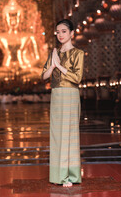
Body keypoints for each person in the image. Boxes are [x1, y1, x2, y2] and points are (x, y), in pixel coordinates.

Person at [41, 19, 84, 187]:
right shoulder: (54, 53)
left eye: (64, 31)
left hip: (70, 94)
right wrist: (53, 65)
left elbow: (77, 78)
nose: (60, 35)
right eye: (58, 32)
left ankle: (70, 175)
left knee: (70, 134)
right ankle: (58, 174)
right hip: (57, 94)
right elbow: (44, 76)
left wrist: (60, 66)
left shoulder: (78, 53)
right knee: (57, 134)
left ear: (72, 33)